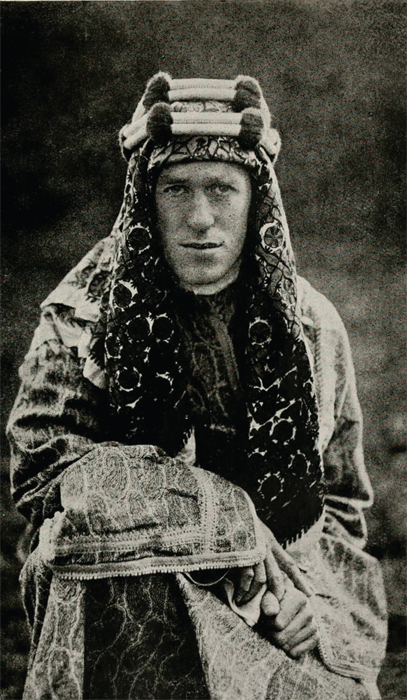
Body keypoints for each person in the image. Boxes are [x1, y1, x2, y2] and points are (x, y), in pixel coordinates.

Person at [7, 73, 387, 700]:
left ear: (256, 199)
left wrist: (307, 600)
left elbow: (340, 507)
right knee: (98, 562)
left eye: (222, 189)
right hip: (131, 586)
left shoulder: (309, 327)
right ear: (145, 198)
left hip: (272, 596)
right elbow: (45, 471)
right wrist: (228, 526)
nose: (201, 217)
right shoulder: (84, 319)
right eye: (175, 188)